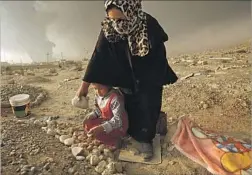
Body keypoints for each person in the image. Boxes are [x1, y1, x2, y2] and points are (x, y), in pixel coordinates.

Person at [76, 0, 178, 160]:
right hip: (124, 75)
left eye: (121, 20)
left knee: (147, 106)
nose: (117, 25)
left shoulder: (148, 25)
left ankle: (146, 139)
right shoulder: (109, 27)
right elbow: (97, 56)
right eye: (113, 20)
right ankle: (133, 132)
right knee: (128, 106)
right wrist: (83, 87)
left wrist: (148, 82)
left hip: (149, 75)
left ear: (132, 12)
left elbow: (159, 57)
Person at [83, 83, 128, 148]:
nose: (98, 92)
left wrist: (101, 128)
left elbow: (118, 120)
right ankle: (101, 137)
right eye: (95, 89)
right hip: (106, 121)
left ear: (108, 86)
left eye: (101, 89)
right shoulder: (98, 96)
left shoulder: (115, 98)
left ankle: (115, 141)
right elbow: (99, 111)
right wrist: (91, 116)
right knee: (89, 123)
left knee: (98, 133)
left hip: (118, 126)